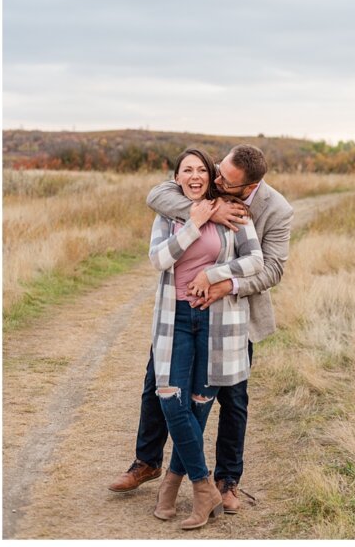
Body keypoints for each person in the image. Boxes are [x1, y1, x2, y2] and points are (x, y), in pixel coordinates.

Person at [110, 144, 294, 515]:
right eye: (217, 172)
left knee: (232, 399)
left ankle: (225, 481)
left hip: (233, 312)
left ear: (250, 186)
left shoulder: (275, 209)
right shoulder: (204, 189)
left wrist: (223, 283)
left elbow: (270, 269)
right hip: (179, 314)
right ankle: (147, 461)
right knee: (157, 386)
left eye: (226, 179)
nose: (217, 179)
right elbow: (158, 194)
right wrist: (204, 211)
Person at [146, 148, 264, 529]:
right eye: (186, 170)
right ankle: (202, 486)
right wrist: (195, 223)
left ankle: (171, 484)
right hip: (176, 318)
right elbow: (158, 259)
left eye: (201, 169)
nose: (195, 176)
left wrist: (214, 275)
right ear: (177, 177)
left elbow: (255, 261)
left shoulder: (233, 212)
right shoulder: (170, 214)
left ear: (211, 175)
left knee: (199, 404)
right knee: (170, 397)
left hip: (215, 320)